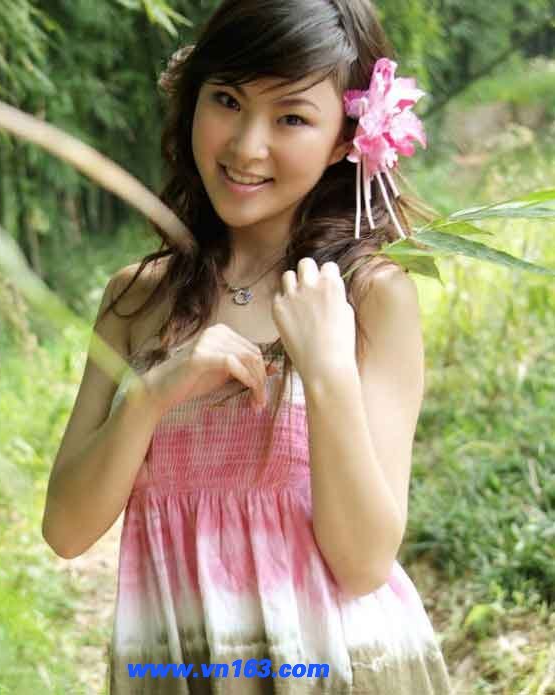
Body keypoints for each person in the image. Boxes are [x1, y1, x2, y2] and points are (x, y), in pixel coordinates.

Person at [42, 0, 454, 692]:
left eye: (291, 117)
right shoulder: (135, 300)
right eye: (228, 100)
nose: (246, 146)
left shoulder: (370, 297)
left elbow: (362, 564)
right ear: (193, 98)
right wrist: (150, 395)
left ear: (345, 139)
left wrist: (326, 371)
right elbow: (65, 529)